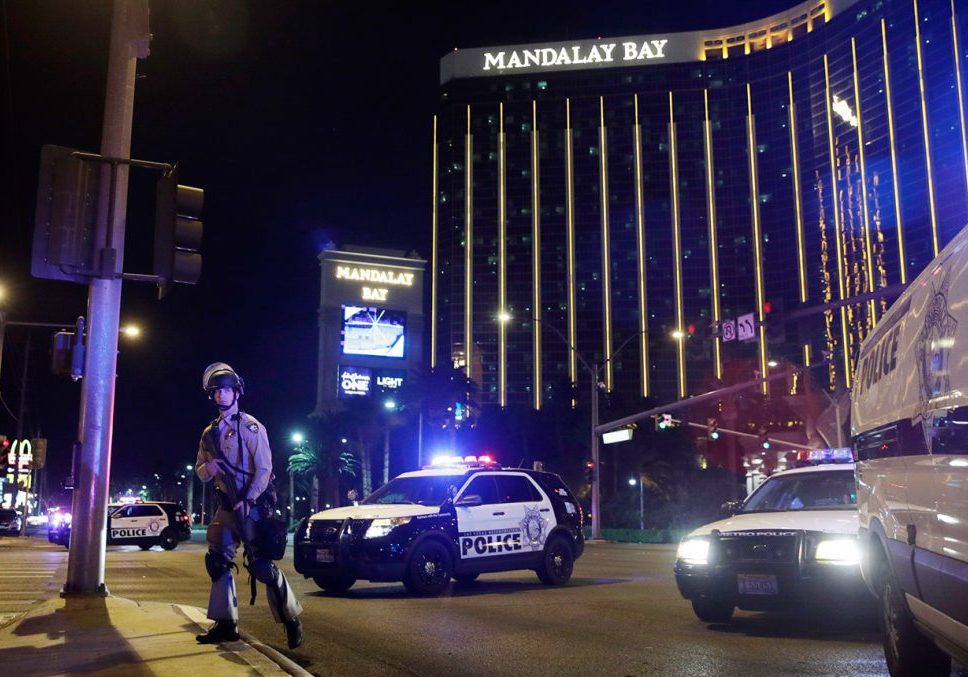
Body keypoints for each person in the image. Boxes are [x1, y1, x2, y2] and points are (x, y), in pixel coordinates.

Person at [194, 362, 303, 648]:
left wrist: (250, 499)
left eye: (226, 390)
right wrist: (210, 469)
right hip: (227, 507)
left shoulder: (251, 427)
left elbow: (264, 469)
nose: (221, 396)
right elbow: (200, 469)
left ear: (237, 392)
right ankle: (225, 623)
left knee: (262, 566)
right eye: (216, 391)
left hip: (251, 507)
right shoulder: (209, 433)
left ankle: (291, 619)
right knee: (216, 562)